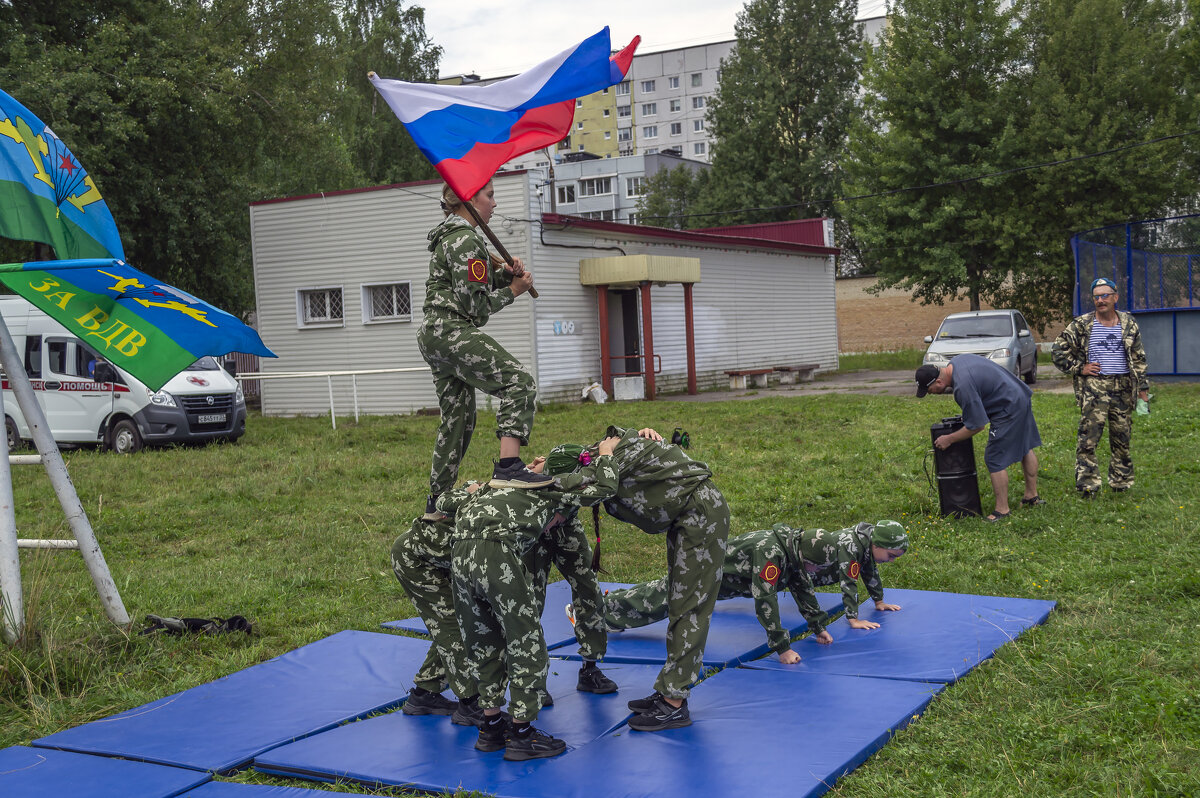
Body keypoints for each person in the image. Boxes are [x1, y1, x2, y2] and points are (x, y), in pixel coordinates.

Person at [441, 436, 621, 761]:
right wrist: (607, 454)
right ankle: (522, 735)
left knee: (483, 638)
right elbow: (605, 486)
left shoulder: (504, 484)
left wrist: (474, 489)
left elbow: (444, 503)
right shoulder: (546, 486)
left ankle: (491, 726)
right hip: (495, 551)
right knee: (526, 639)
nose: (536, 462)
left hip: (461, 551)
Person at [551, 426, 729, 732]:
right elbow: (616, 438)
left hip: (701, 517)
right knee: (678, 600)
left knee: (689, 607)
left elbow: (567, 483)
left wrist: (528, 480)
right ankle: (668, 692)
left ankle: (674, 704)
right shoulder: (606, 449)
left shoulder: (607, 462)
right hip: (687, 516)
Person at [417, 180, 549, 523]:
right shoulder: (466, 240)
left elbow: (475, 282)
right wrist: (515, 291)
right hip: (451, 331)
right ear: (469, 199)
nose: (495, 203)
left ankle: (437, 502)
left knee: (458, 419)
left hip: (435, 335)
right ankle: (509, 467)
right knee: (519, 382)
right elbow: (475, 308)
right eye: (489, 195)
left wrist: (505, 275)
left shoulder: (454, 238)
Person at [596, 521, 908, 663]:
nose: (814, 576)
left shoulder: (796, 552)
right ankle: (598, 612)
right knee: (665, 599)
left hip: (725, 582)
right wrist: (782, 648)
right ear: (806, 558)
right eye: (815, 570)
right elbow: (766, 602)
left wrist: (818, 627)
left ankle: (608, 607)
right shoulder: (771, 554)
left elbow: (803, 590)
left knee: (662, 594)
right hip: (707, 572)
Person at [524, 446, 618, 698]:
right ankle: (532, 685)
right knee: (529, 604)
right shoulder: (526, 481)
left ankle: (590, 668)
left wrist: (642, 432)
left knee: (589, 589)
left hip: (566, 526)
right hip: (534, 533)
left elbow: (611, 444)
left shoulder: (579, 463)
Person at [1051, 277, 1150, 497]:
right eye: (1096, 297)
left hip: (1123, 387)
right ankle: (1088, 485)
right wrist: (1079, 368)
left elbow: (1138, 357)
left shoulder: (1128, 323)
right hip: (1095, 387)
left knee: (1122, 438)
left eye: (1105, 295)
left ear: (1115, 297)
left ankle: (1120, 482)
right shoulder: (1082, 324)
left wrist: (1142, 389)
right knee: (1088, 439)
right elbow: (1057, 351)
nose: (1100, 300)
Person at [915, 354, 1043, 521]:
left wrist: (949, 439)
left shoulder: (962, 387)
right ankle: (1031, 496)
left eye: (929, 391)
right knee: (1025, 447)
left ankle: (1002, 510)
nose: (930, 394)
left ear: (938, 382)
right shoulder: (957, 362)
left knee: (994, 458)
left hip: (1008, 408)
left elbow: (976, 426)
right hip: (1019, 395)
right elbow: (981, 390)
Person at [389, 516, 485, 727]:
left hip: (444, 560)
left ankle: (425, 693)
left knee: (456, 624)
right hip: (415, 560)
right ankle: (470, 703)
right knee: (454, 627)